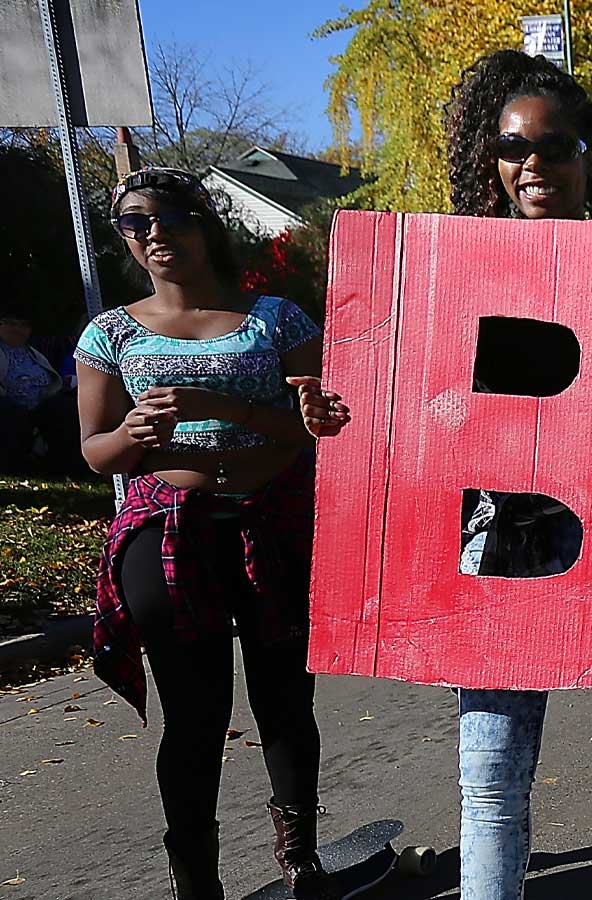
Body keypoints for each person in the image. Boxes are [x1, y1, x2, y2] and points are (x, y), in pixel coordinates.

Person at [295, 50, 592, 900]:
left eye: (556, 146)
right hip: (490, 543)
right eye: (516, 148)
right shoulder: (450, 277)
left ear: (588, 154)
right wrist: (346, 419)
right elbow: (418, 412)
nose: (535, 165)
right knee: (489, 773)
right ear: (494, 158)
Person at [74, 166, 336, 900]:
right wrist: (130, 430)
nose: (152, 235)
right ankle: (197, 882)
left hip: (273, 524)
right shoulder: (110, 332)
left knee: (285, 702)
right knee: (194, 717)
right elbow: (96, 453)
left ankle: (301, 859)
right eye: (134, 223)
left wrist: (229, 405)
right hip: (168, 534)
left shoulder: (278, 318)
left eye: (168, 218)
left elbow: (323, 429)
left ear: (203, 222)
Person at [1, 305, 77, 475]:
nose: (17, 329)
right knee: (11, 414)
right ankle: (15, 466)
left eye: (23, 325)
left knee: (66, 408)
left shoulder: (32, 353)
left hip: (41, 402)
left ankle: (62, 465)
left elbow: (52, 381)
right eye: (10, 324)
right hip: (10, 404)